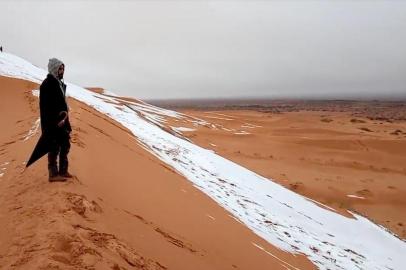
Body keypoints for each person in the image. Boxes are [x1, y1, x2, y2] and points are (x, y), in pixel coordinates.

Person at [39, 58, 73, 181]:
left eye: (63, 68)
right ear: (54, 69)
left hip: (62, 120)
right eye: (60, 68)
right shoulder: (47, 84)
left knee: (65, 144)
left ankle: (63, 171)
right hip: (53, 122)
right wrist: (54, 121)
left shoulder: (58, 83)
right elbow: (46, 106)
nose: (62, 70)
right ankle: (53, 174)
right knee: (54, 146)